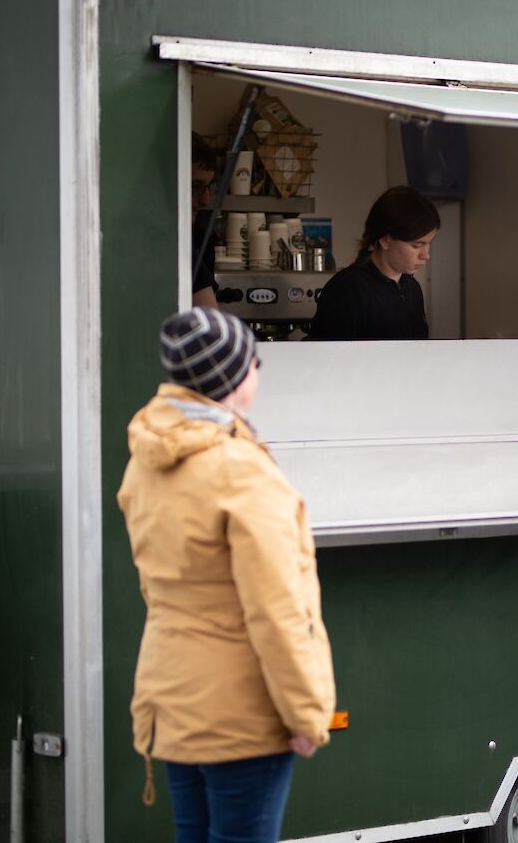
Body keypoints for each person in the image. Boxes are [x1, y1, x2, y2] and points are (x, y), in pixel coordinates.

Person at [117, 307, 336, 843]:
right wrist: (306, 713)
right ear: (235, 378)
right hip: (241, 712)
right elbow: (277, 609)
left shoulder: (148, 457)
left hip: (172, 698)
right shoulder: (238, 469)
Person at [308, 185, 439, 340]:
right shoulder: (345, 290)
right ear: (385, 239)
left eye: (428, 244)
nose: (426, 255)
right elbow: (328, 359)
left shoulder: (412, 288)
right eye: (417, 245)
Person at [190, 133, 221, 309]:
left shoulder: (200, 241)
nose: (206, 200)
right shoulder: (170, 244)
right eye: (195, 186)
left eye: (208, 187)